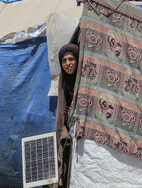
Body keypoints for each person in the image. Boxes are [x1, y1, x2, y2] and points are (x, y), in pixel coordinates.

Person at [54, 43, 79, 188]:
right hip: (69, 128)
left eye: (71, 59)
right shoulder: (64, 82)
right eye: (64, 61)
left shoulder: (82, 80)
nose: (67, 64)